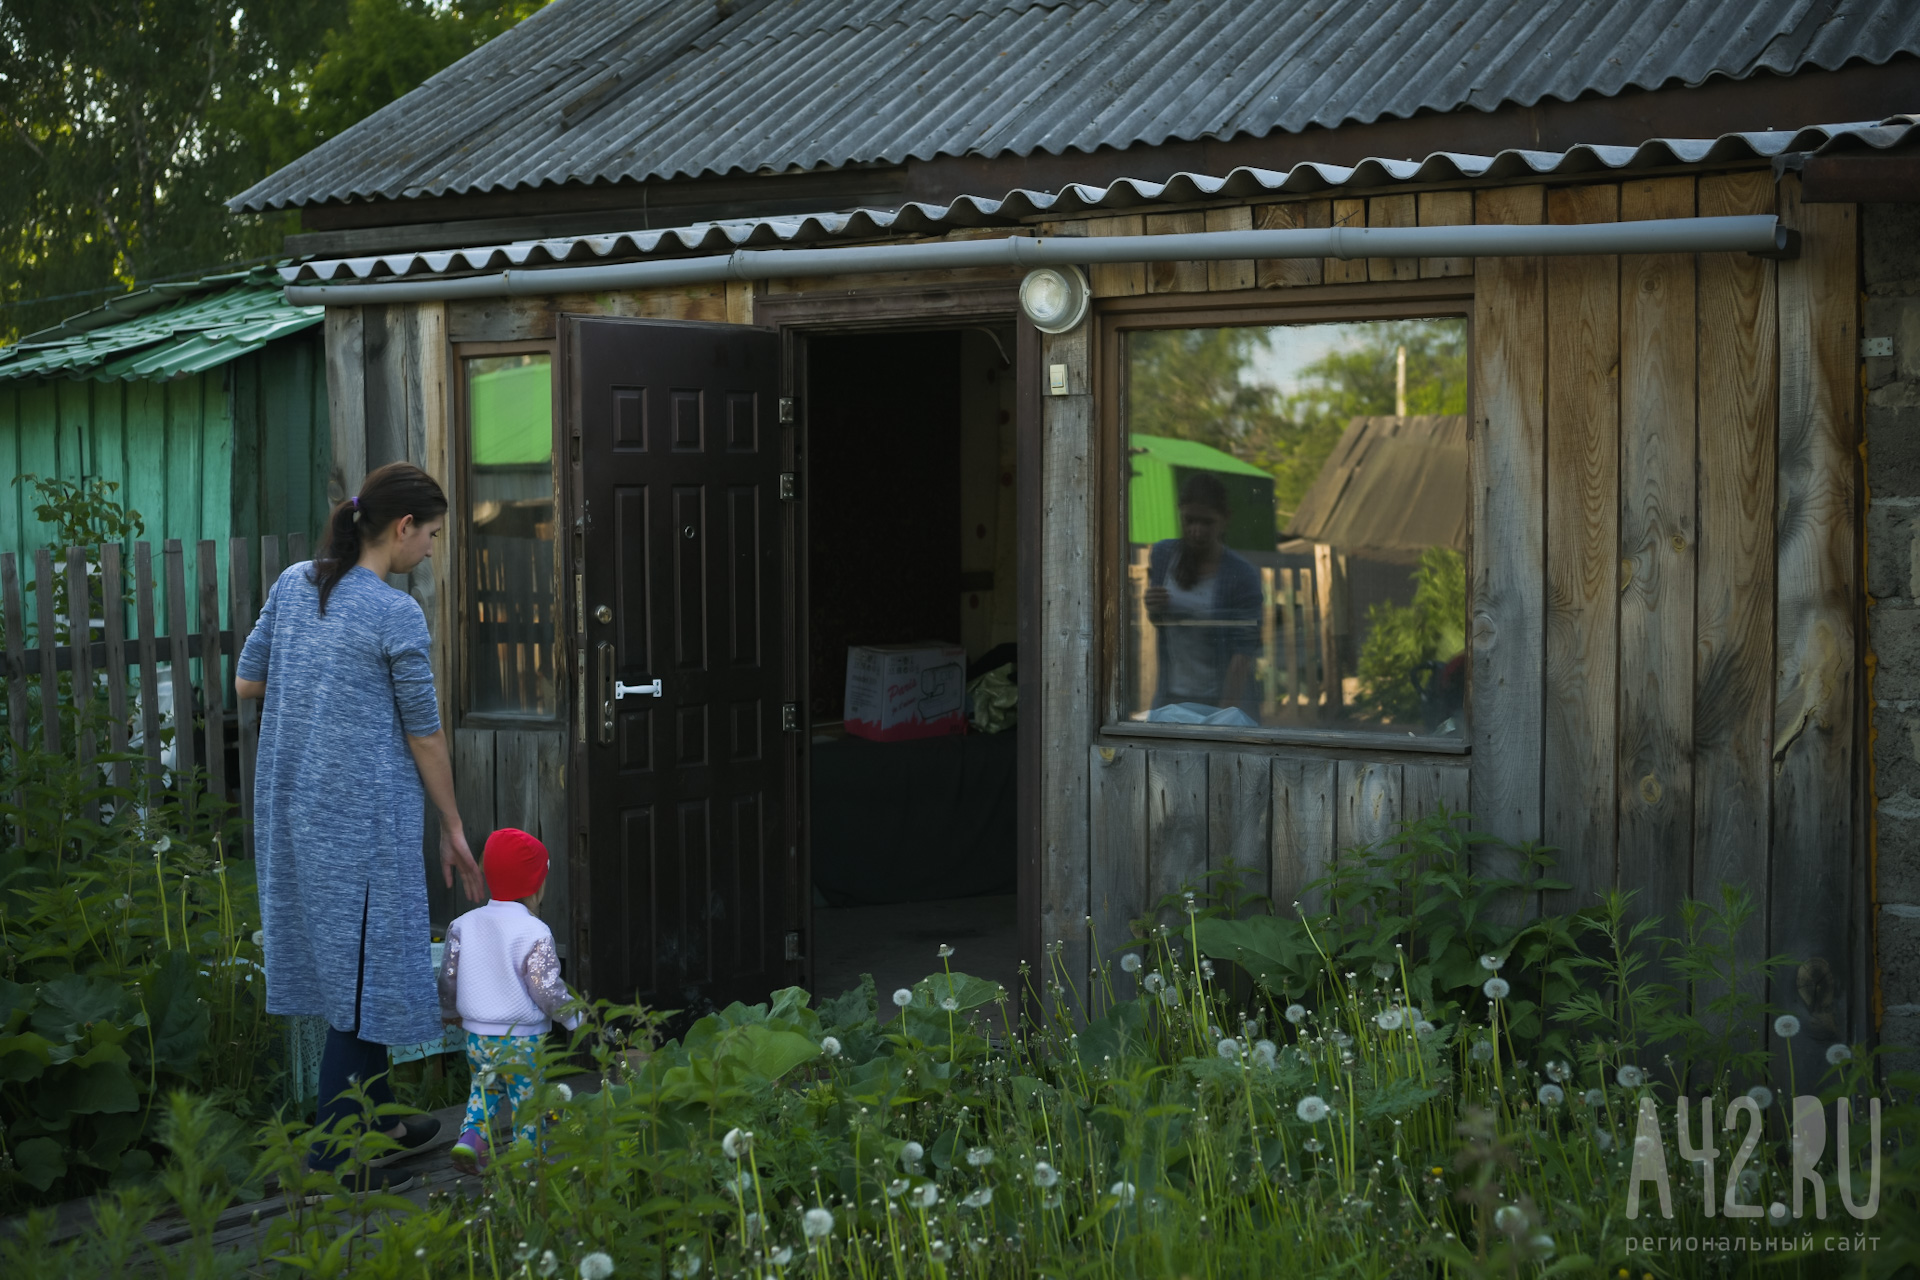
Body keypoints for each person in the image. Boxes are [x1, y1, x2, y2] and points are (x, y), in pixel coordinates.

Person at [236, 462, 484, 1193]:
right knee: (360, 975)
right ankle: (331, 1162)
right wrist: (453, 826)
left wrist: (317, 689)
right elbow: (426, 736)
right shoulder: (393, 612)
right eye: (433, 534)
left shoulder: (293, 585)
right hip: (366, 822)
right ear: (402, 528)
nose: (434, 548)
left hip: (296, 813)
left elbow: (247, 681)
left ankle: (372, 1113)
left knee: (356, 968)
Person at [438, 828, 582, 1173]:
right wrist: (573, 1017)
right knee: (527, 1099)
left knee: (484, 1089)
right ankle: (528, 1164)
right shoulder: (533, 931)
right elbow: (545, 989)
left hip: (476, 1038)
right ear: (536, 885)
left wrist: (448, 1011)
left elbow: (448, 977)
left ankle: (471, 1139)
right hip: (522, 1040)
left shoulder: (463, 924)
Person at [1141, 471, 1263, 721]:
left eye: (1206, 522)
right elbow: (1161, 622)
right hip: (1171, 695)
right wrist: (1153, 607)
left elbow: (1243, 653)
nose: (1196, 530)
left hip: (1220, 700)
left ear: (1225, 519)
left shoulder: (1241, 575)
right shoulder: (1164, 555)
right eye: (1189, 520)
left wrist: (1224, 718)